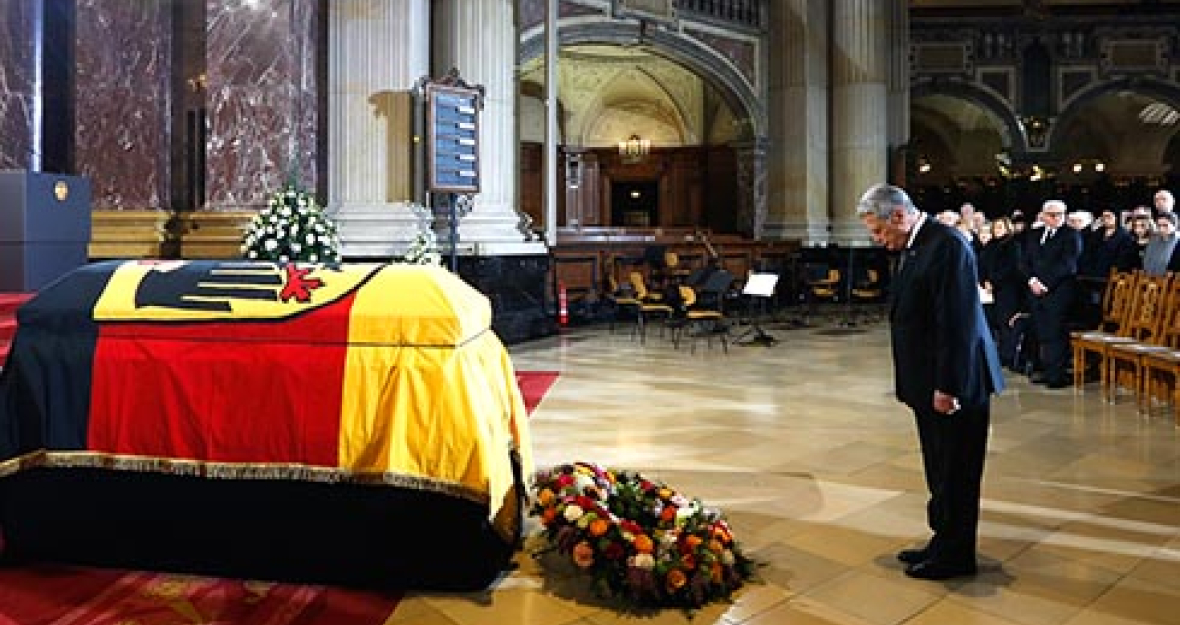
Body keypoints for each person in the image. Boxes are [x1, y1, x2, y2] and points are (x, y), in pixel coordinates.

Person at [856, 183, 1005, 581]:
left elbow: (957, 323)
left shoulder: (948, 245)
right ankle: (943, 540)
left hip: (955, 384)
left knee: (956, 469)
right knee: (939, 466)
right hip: (931, 382)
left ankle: (957, 555)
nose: (877, 239)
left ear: (899, 216)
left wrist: (948, 387)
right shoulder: (918, 245)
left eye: (879, 230)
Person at [1022, 199, 1082, 389]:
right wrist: (1031, 280)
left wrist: (1045, 283)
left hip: (1058, 292)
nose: (1056, 218)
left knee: (1056, 333)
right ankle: (1045, 370)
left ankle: (1056, 375)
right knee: (1041, 332)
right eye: (1052, 215)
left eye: (1059, 215)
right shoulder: (1034, 234)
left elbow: (1068, 264)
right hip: (1035, 290)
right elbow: (1024, 260)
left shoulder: (1071, 235)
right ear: (1043, 215)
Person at [1142, 212, 1180, 276]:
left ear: (1174, 225)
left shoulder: (1178, 241)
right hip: (1149, 278)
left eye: (1165, 225)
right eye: (1159, 226)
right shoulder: (1153, 240)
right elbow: (1146, 261)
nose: (1161, 229)